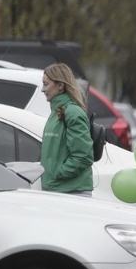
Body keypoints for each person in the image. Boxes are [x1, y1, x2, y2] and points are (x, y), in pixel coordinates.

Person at [40, 63, 93, 195]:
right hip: (58, 189)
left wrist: (57, 173)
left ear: (60, 86)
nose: (42, 89)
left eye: (46, 84)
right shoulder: (56, 112)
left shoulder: (73, 112)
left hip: (72, 192)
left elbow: (83, 157)